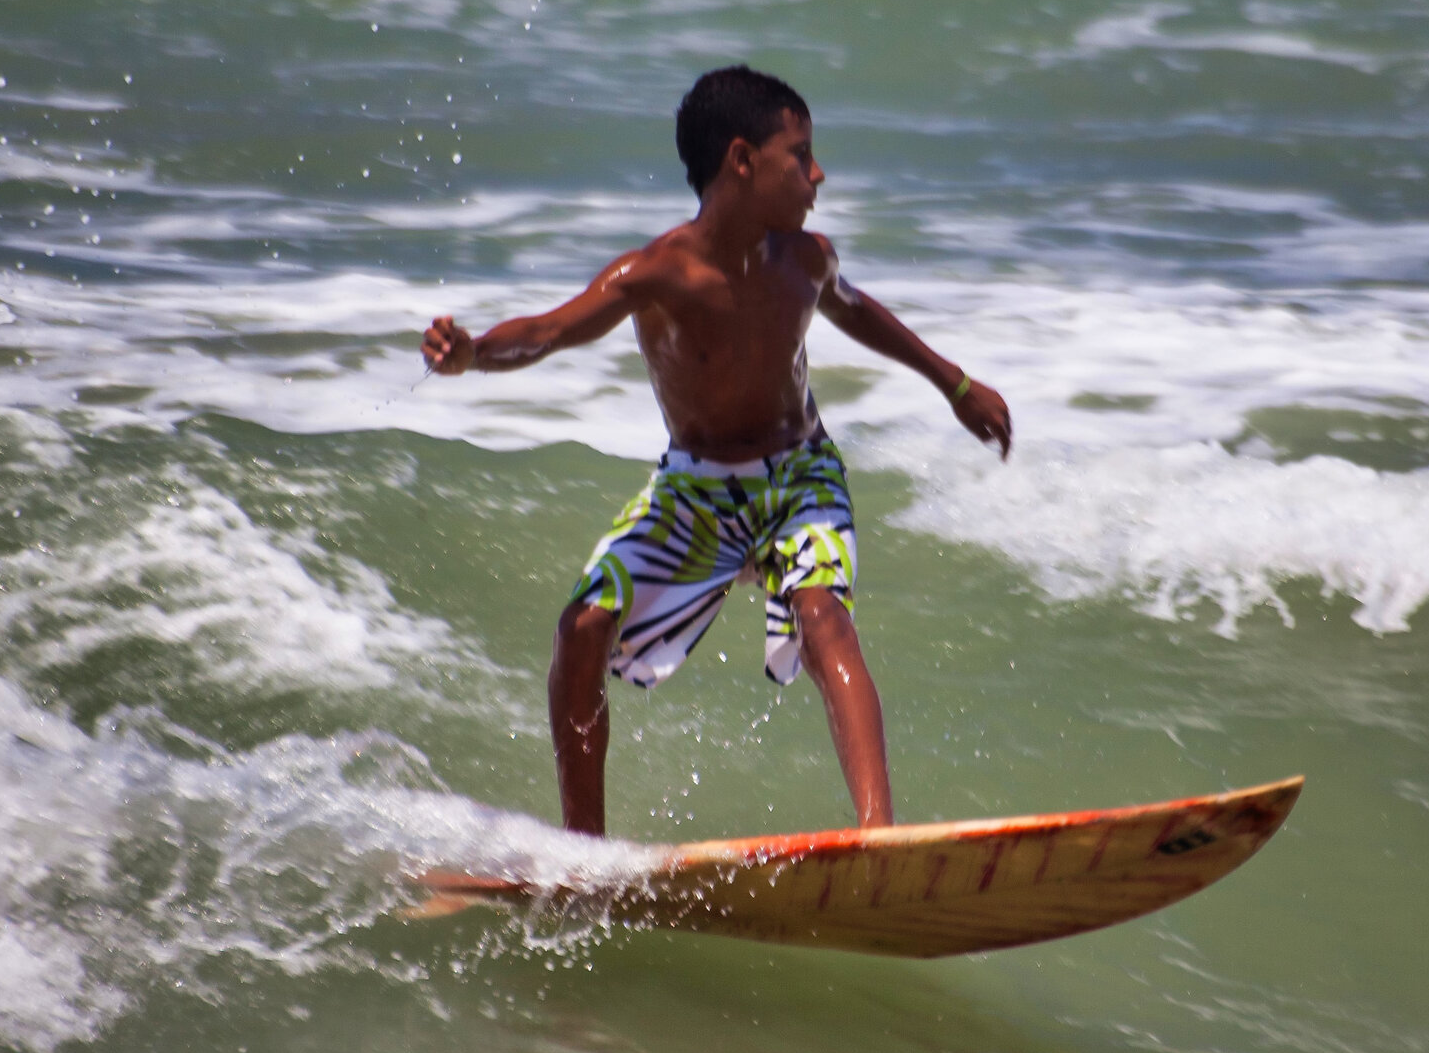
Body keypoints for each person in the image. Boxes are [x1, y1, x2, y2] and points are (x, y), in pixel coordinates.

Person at [420, 66, 1012, 836]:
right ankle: (584, 851)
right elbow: (549, 331)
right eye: (800, 155)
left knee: (823, 616)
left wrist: (955, 384)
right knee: (582, 628)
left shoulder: (805, 260)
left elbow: (860, 312)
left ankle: (877, 837)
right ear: (742, 159)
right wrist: (474, 355)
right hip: (696, 491)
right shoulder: (654, 275)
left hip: (800, 478)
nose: (818, 174)